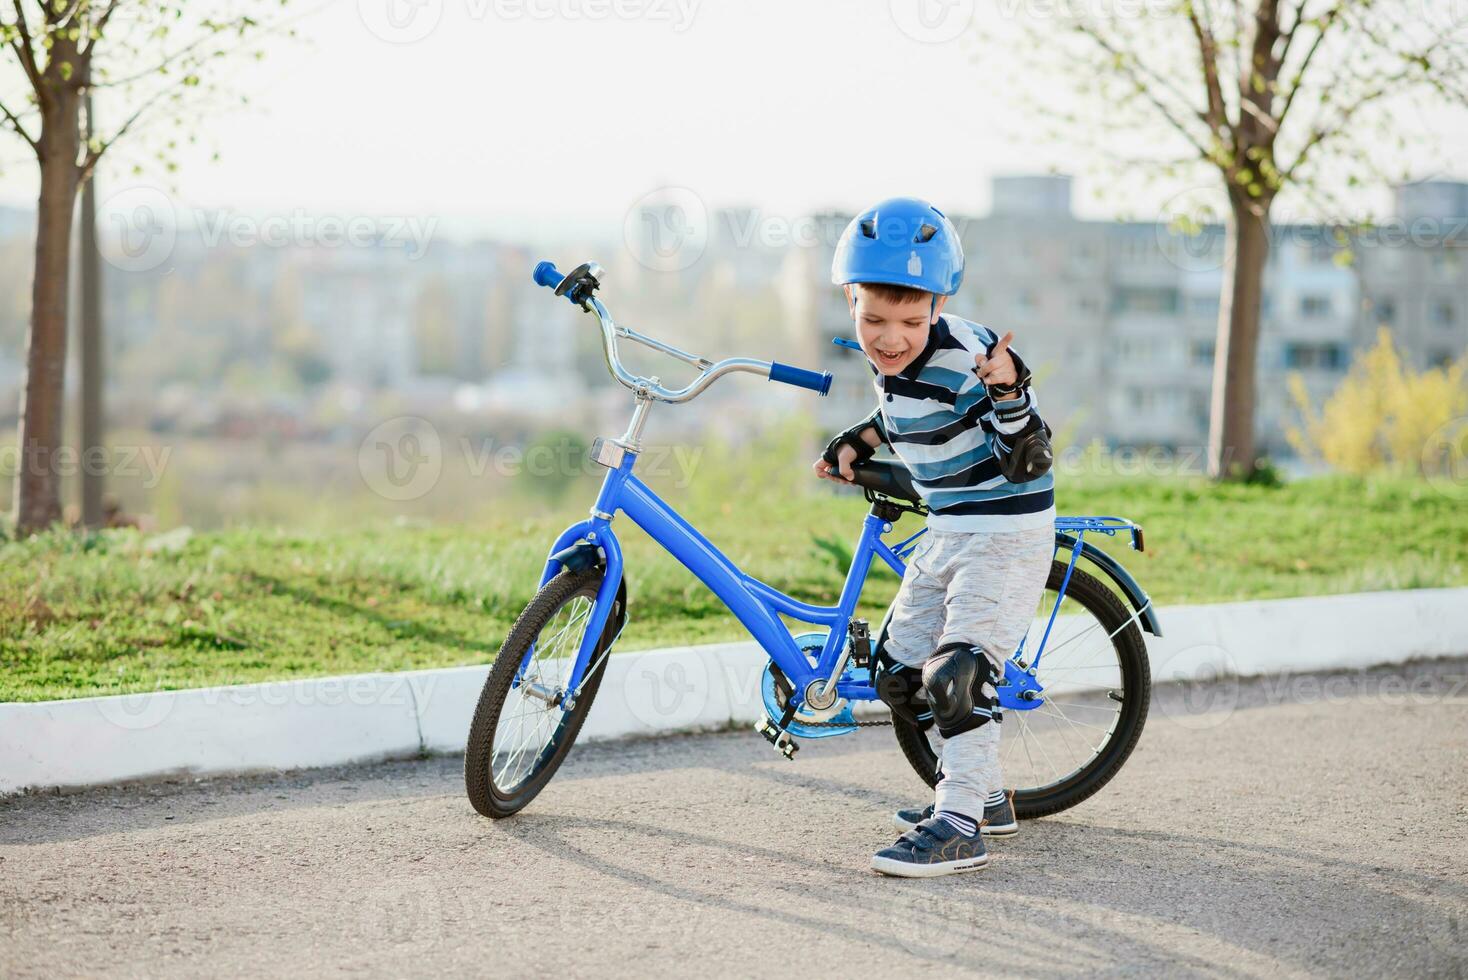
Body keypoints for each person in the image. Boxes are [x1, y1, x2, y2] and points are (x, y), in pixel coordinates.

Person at [812, 197, 1055, 877]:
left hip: (1004, 533)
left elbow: (1030, 456)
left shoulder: (970, 357)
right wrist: (857, 440)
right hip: (948, 527)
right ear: (851, 301)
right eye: (873, 319)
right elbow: (900, 410)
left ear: (940, 304)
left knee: (956, 674)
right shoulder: (889, 356)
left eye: (912, 322)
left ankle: (959, 824)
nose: (890, 339)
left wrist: (1008, 393)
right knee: (897, 673)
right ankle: (986, 798)